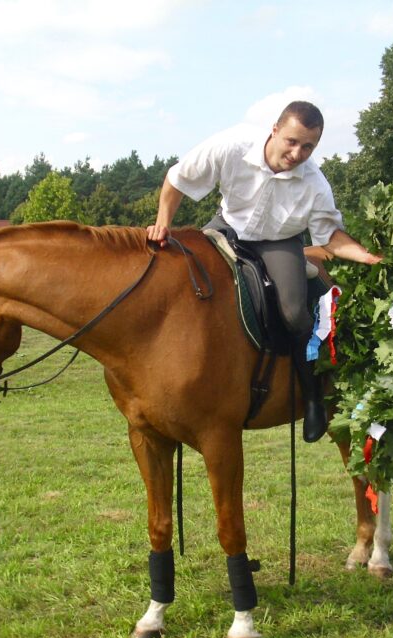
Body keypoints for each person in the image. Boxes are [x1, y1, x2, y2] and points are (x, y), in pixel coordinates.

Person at [147, 100, 381, 442]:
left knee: (294, 312)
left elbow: (330, 236)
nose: (297, 153)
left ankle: (313, 398)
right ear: (274, 129)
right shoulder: (232, 145)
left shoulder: (315, 184)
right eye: (292, 141)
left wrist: (367, 256)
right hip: (226, 227)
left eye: (308, 147)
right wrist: (162, 223)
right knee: (186, 280)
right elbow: (178, 178)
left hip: (279, 241)